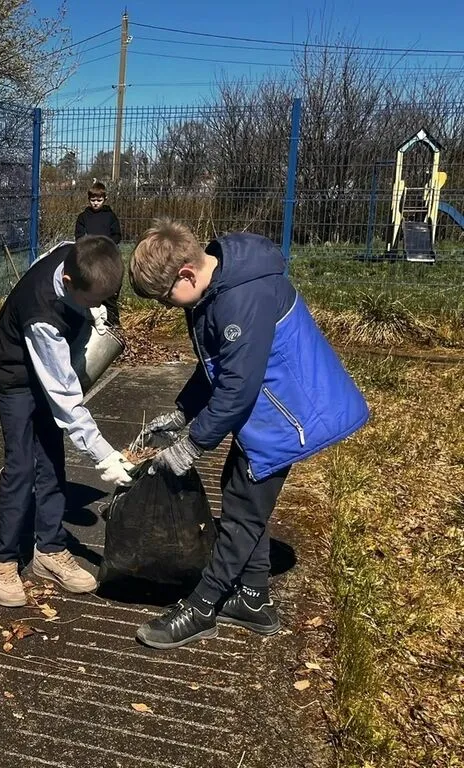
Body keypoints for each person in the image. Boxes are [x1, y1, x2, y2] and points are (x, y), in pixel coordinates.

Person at [127, 218, 368, 649]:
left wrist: (192, 445)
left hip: (292, 415)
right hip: (271, 407)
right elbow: (218, 365)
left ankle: (202, 608)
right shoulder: (216, 287)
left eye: (165, 297)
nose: (167, 306)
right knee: (238, 491)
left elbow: (237, 389)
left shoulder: (242, 298)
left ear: (186, 274)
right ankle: (254, 600)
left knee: (242, 511)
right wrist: (183, 412)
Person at [0, 235, 135, 607]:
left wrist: (95, 311)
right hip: (15, 374)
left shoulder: (75, 253)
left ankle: (49, 550)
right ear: (68, 282)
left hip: (51, 360)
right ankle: (2, 559)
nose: (97, 305)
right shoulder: (43, 317)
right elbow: (65, 400)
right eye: (92, 300)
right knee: (22, 464)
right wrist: (104, 456)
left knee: (52, 458)